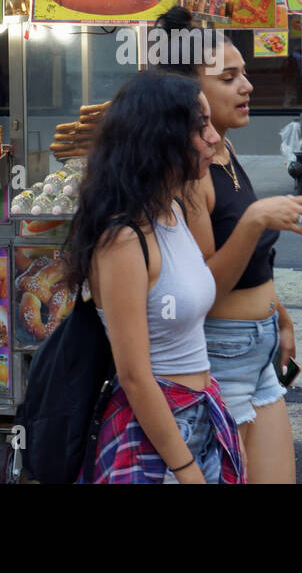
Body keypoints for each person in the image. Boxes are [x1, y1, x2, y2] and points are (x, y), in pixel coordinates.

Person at [154, 8, 302, 483]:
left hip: (261, 347)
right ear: (191, 91)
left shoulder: (227, 147)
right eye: (229, 77)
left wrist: (282, 318)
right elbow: (201, 289)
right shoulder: (190, 173)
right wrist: (254, 220)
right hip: (220, 353)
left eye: (245, 74)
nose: (247, 86)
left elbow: (256, 266)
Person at [71, 71, 244, 483]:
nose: (213, 138)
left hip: (201, 415)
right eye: (199, 127)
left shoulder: (174, 212)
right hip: (157, 434)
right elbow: (134, 374)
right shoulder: (123, 239)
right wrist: (185, 470)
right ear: (160, 138)